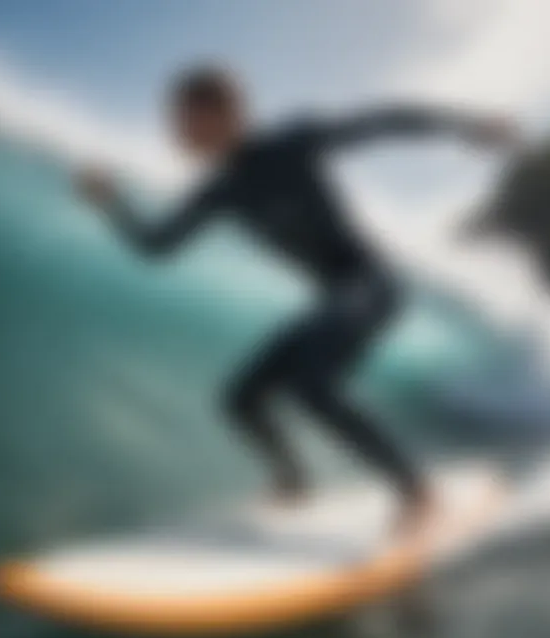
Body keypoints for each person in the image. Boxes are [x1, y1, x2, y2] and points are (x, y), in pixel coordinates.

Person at [76, 66, 518, 536]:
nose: (176, 132)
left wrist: (467, 125)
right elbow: (157, 247)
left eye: (185, 120)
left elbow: (387, 120)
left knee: (310, 385)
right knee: (240, 399)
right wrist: (112, 206)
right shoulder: (218, 192)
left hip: (374, 283)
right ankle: (295, 481)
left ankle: (416, 492)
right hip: (334, 299)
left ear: (225, 113)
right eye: (175, 122)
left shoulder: (292, 143)